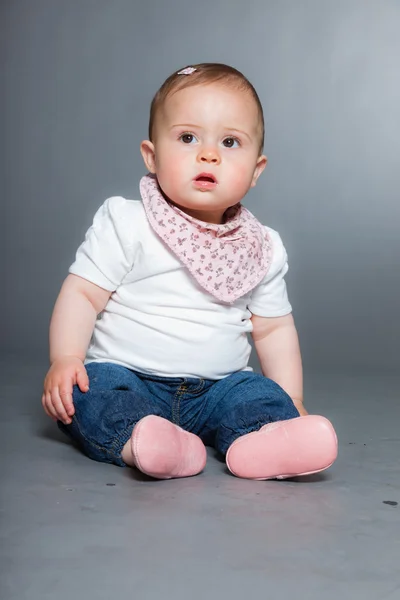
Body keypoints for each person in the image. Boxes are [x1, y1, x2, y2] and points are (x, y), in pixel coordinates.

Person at [42, 63, 338, 480]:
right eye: (187, 138)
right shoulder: (127, 221)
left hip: (220, 388)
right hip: (130, 378)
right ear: (152, 156)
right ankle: (143, 441)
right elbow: (83, 294)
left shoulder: (261, 247)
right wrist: (66, 357)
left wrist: (292, 398)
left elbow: (272, 329)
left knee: (258, 395)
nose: (209, 154)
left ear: (256, 170)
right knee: (88, 390)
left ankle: (263, 439)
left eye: (231, 142)